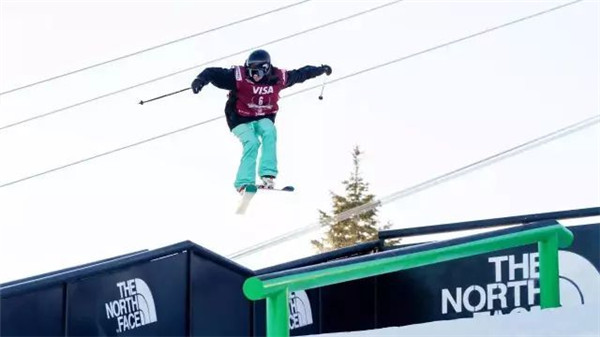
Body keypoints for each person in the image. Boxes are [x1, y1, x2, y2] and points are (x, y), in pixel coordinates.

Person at [191, 49, 332, 194]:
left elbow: (301, 74)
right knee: (252, 142)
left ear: (266, 69)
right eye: (251, 73)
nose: (253, 76)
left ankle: (267, 175)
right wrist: (200, 80)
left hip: (263, 116)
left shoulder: (279, 78)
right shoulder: (238, 77)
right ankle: (243, 183)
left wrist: (321, 70)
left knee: (269, 130)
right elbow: (213, 73)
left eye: (257, 73)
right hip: (239, 117)